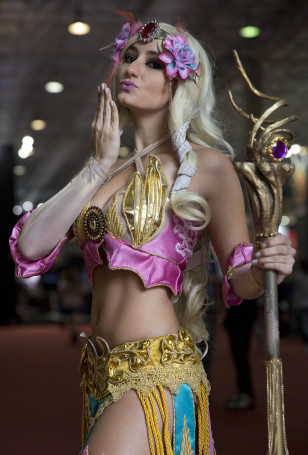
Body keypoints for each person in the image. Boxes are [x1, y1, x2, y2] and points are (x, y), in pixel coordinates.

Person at [9, 15, 295, 455]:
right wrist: (97, 166)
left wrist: (266, 265)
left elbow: (240, 281)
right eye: (128, 56)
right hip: (98, 375)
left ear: (179, 84)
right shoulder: (103, 173)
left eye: (153, 62)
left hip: (158, 371)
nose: (131, 68)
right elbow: (29, 247)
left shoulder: (206, 167)